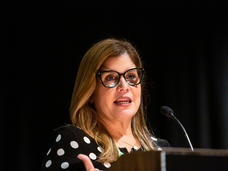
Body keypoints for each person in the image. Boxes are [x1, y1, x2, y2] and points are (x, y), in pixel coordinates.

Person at [40, 38, 169, 171]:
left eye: (131, 76)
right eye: (110, 78)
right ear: (90, 92)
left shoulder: (162, 149)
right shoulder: (75, 142)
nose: (124, 86)